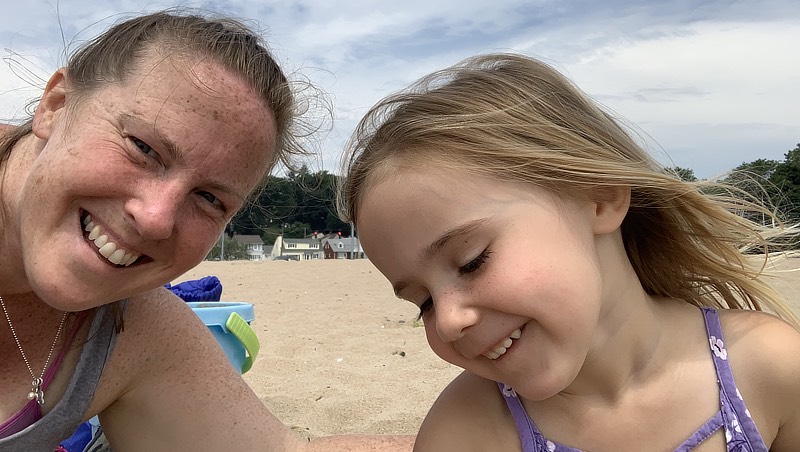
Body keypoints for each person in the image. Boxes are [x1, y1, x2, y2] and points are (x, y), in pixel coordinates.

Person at [337, 53, 800, 451]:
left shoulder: (770, 367)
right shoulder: (466, 433)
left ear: (599, 197)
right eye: (424, 303)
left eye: (472, 260)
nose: (450, 320)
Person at [0, 11, 413, 451]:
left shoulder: (133, 328)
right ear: (56, 105)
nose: (157, 217)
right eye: (143, 148)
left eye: (210, 199)